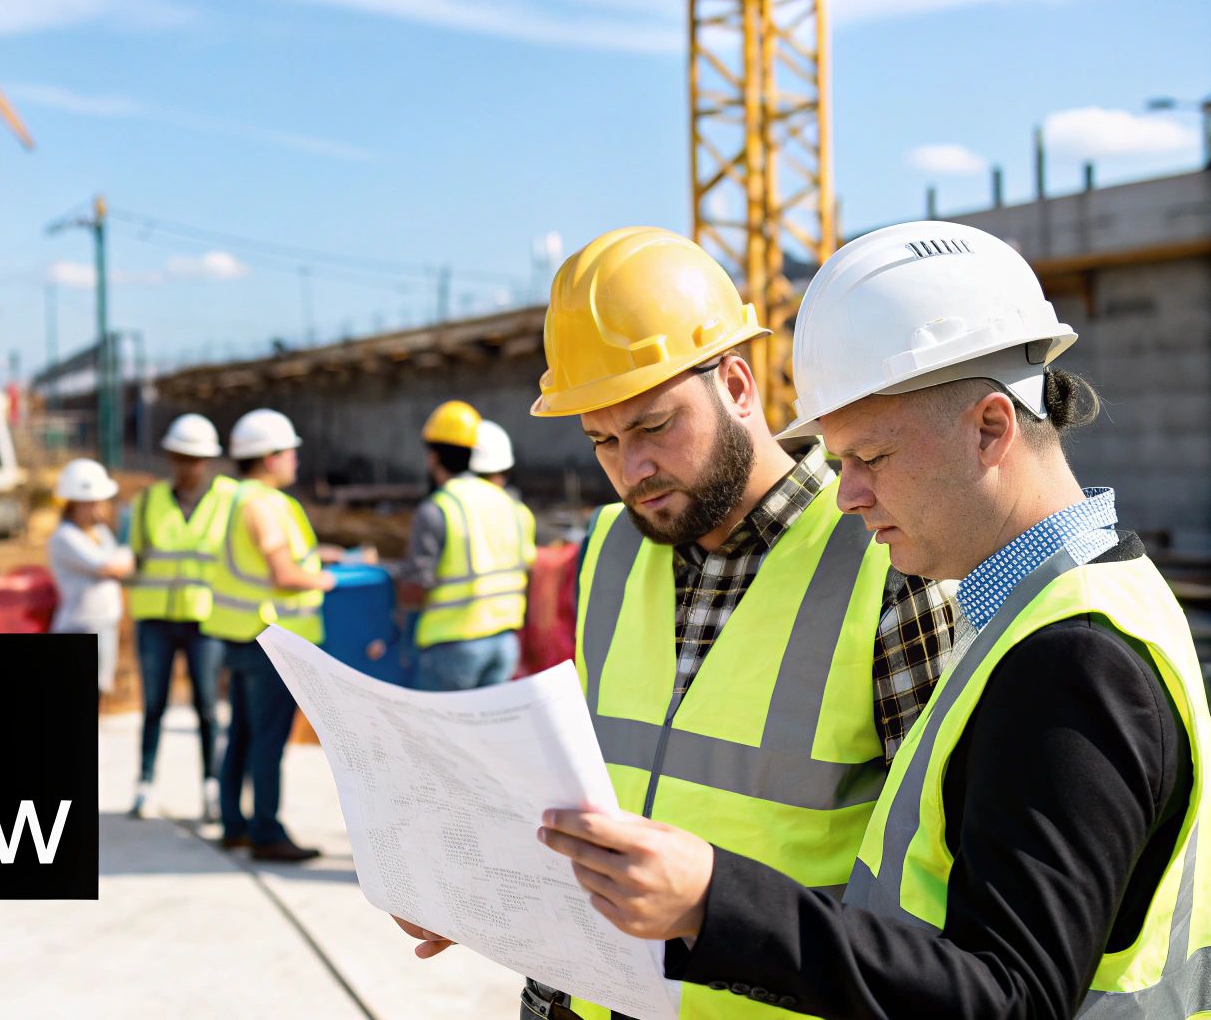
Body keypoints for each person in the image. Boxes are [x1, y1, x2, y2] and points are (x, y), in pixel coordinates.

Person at [533, 221, 1211, 1018]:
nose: (846, 494)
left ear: (992, 427)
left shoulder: (1076, 661)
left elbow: (1010, 996)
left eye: (871, 458)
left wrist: (717, 905)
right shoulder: (1037, 617)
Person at [394, 226, 959, 1020]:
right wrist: (482, 876)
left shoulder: (883, 557)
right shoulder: (608, 551)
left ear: (736, 383)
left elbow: (934, 876)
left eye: (655, 427)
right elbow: (596, 792)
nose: (633, 470)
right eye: (603, 442)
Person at [205, 408, 352, 863]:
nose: (296, 459)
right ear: (269, 457)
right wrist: (331, 581)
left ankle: (236, 824)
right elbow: (284, 573)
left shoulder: (236, 498)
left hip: (245, 635)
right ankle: (266, 831)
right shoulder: (261, 504)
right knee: (266, 739)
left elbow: (280, 558)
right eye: (290, 451)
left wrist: (323, 556)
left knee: (244, 735)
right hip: (269, 640)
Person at [122, 414, 239, 822]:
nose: (187, 466)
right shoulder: (148, 502)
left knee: (208, 707)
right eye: (180, 457)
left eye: (195, 458)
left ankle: (211, 788)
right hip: (155, 617)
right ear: (171, 457)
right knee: (153, 706)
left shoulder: (230, 500)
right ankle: (145, 785)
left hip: (206, 620)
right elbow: (132, 555)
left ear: (207, 459)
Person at [397, 402, 534, 691]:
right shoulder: (513, 506)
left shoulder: (439, 508)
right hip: (505, 643)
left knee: (437, 736)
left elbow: (414, 591)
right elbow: (529, 570)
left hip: (453, 647)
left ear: (433, 458)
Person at [47, 458, 135, 698]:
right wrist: (130, 546)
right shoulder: (64, 537)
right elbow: (110, 566)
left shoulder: (101, 532)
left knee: (100, 694)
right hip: (77, 627)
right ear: (77, 503)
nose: (101, 507)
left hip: (104, 625)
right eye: (94, 502)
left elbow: (122, 564)